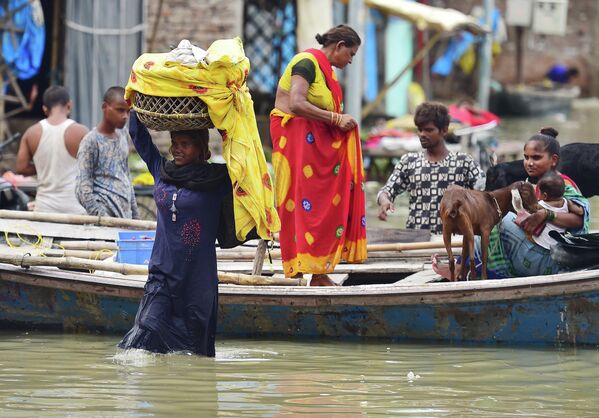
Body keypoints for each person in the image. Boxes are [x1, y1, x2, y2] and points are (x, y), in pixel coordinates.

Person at [118, 111, 229, 356]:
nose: (176, 150)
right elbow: (139, 136)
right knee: (147, 328)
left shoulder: (217, 180)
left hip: (197, 280)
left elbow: (244, 165)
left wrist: (230, 120)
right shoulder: (162, 170)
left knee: (196, 349)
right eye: (174, 144)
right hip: (162, 272)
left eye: (185, 144)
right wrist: (134, 104)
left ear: (201, 149)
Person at [270, 24, 367, 286]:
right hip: (296, 146)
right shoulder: (306, 62)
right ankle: (298, 270)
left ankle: (319, 272)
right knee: (298, 204)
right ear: (339, 46)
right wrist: (336, 119)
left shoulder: (328, 74)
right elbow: (296, 103)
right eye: (351, 54)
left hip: (315, 148)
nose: (350, 60)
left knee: (325, 206)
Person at [433, 127, 590, 279]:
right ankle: (466, 267)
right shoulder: (537, 185)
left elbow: (579, 220)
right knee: (487, 218)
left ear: (553, 160)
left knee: (495, 221)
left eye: (536, 158)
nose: (529, 163)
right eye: (526, 157)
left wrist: (546, 214)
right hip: (540, 252)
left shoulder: (563, 185)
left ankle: (471, 270)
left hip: (552, 259)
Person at [377, 102, 484, 235]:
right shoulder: (409, 162)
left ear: (444, 130)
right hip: (416, 240)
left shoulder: (464, 163)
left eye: (428, 130)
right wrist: (385, 201)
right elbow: (386, 191)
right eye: (419, 129)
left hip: (454, 241)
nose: (422, 134)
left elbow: (484, 194)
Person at [15, 85, 88, 214]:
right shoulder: (80, 131)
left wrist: (44, 165)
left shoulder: (31, 133)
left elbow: (21, 168)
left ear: (44, 109)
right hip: (75, 209)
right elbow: (94, 167)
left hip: (44, 208)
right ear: (69, 105)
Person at [76, 86, 139, 218]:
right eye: (120, 110)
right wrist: (102, 216)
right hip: (105, 219)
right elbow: (83, 186)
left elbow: (126, 176)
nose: (125, 116)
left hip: (125, 216)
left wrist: (135, 215)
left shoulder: (123, 135)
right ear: (105, 107)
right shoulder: (91, 141)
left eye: (128, 112)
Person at [530, 171, 584, 250]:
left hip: (541, 244)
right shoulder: (567, 202)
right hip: (558, 245)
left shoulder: (541, 204)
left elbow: (530, 208)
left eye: (539, 193)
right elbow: (580, 211)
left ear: (545, 196)